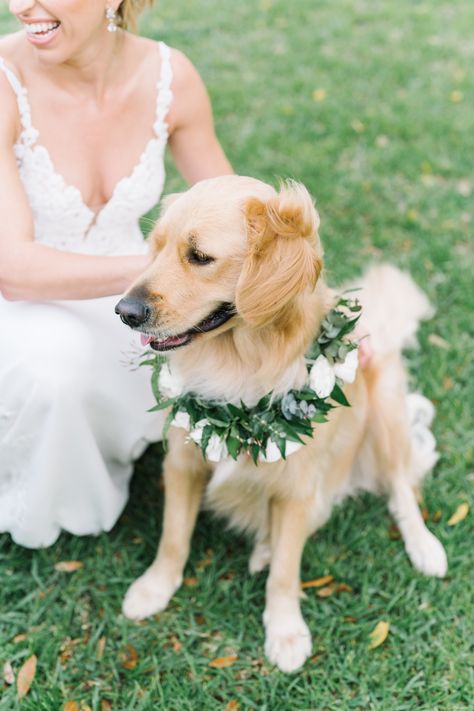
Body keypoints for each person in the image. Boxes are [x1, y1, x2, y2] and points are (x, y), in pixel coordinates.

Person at [0, 0, 232, 547]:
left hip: (126, 296)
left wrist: (315, 300)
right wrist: (168, 275)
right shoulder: (4, 81)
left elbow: (234, 206)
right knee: (56, 363)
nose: (21, 6)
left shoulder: (171, 76)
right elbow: (13, 269)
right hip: (21, 299)